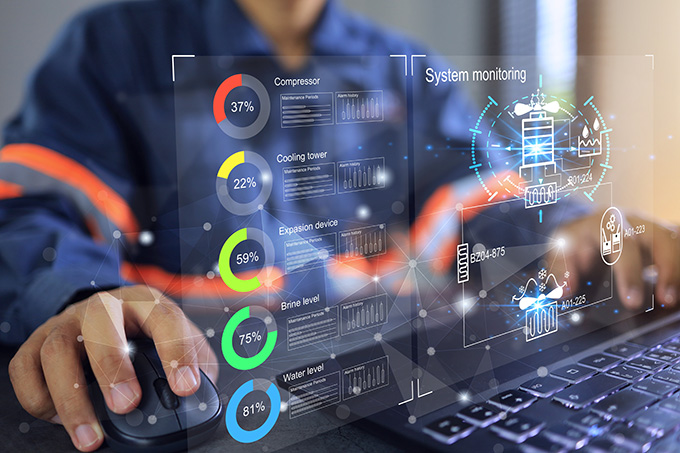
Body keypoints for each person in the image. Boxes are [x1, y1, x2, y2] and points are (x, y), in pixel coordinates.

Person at [1, 1, 678, 452]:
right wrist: (76, 294)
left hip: (398, 393)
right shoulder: (113, 47)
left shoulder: (404, 67)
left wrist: (568, 227)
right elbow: (32, 205)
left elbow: (480, 202)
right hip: (209, 405)